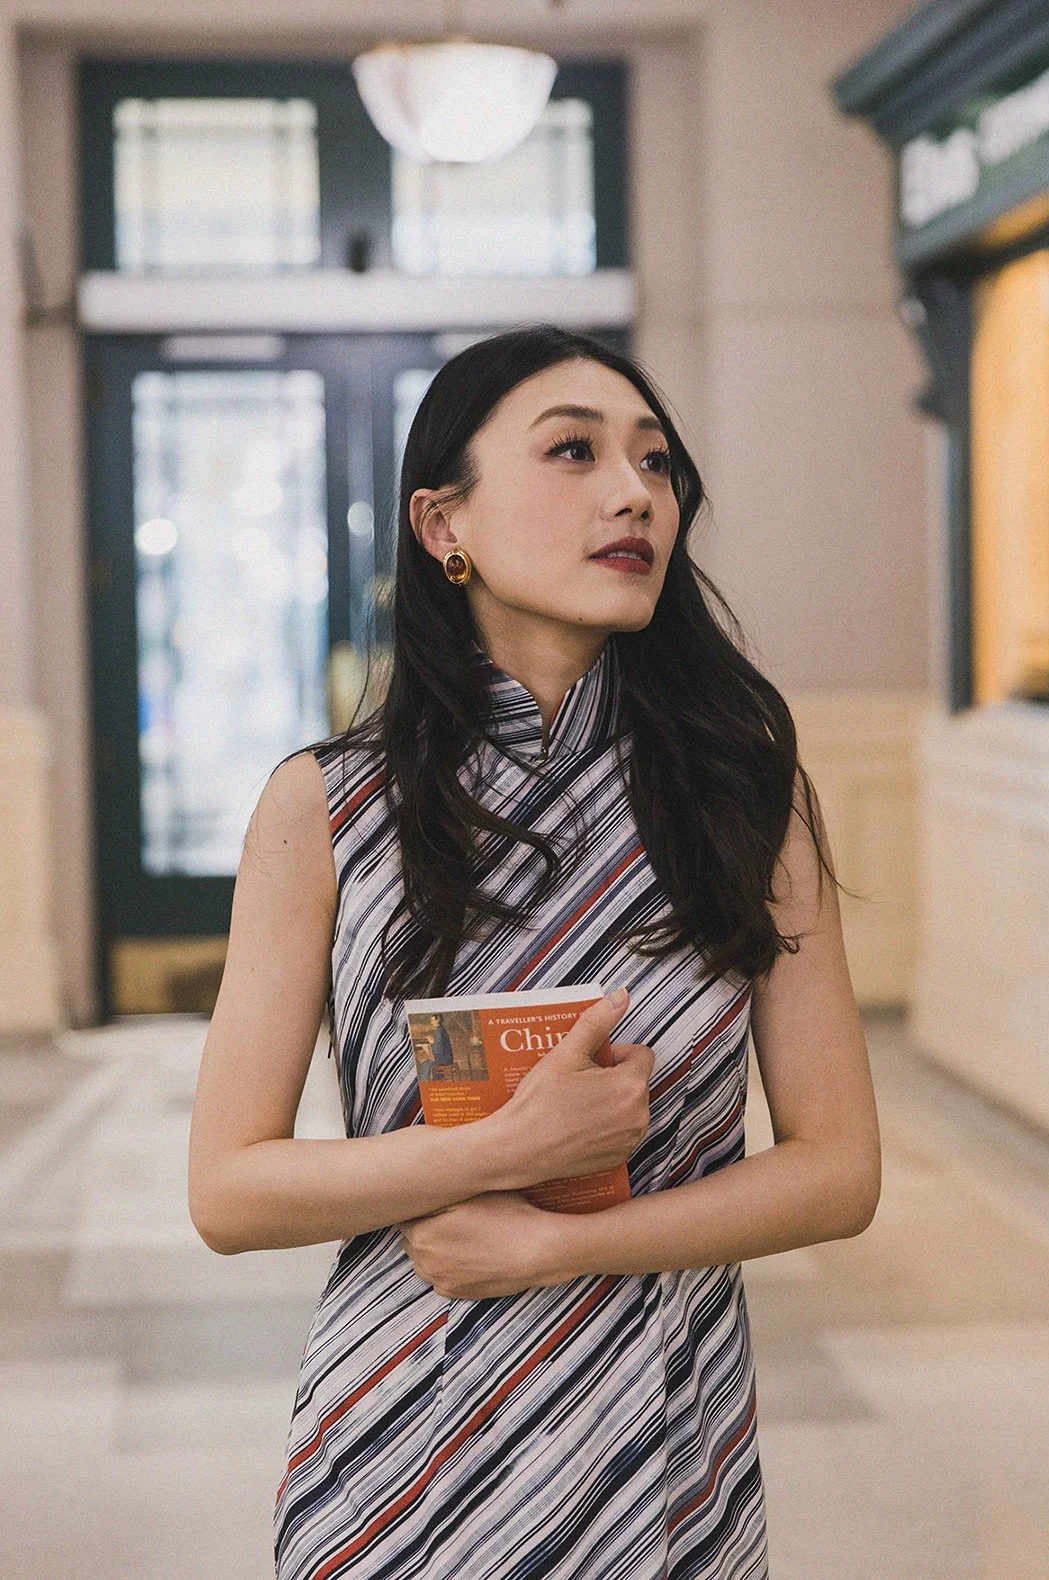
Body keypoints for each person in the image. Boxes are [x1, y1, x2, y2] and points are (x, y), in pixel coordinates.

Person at [187, 323, 881, 1580]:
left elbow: (839, 1174)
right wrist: (506, 1149)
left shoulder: (741, 792)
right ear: (442, 523)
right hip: (401, 1442)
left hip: (666, 1435)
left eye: (657, 464)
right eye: (575, 450)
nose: (635, 492)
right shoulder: (327, 808)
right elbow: (228, 1190)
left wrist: (560, 1241)